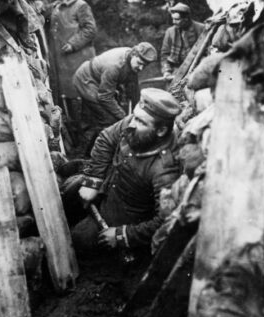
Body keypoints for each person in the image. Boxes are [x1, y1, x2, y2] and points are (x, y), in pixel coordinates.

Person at [71, 87, 181, 254]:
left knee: (78, 238)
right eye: (134, 117)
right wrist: (93, 181)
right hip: (109, 187)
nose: (130, 125)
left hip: (124, 217)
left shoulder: (164, 171)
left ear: (161, 131)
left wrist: (123, 235)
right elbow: (106, 138)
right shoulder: (135, 122)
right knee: (68, 191)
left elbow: (165, 220)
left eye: (141, 122)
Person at [73, 42, 157, 154]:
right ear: (133, 55)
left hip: (102, 80)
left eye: (145, 66)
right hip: (87, 80)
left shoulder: (132, 59)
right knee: (109, 120)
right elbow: (104, 97)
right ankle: (92, 154)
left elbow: (133, 88)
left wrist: (138, 111)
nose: (141, 68)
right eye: (140, 63)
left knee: (111, 114)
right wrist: (125, 118)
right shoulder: (115, 66)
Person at [48, 0, 96, 110]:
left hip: (76, 59)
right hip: (61, 59)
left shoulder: (81, 5)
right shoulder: (55, 6)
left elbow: (90, 29)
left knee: (79, 93)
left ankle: (85, 127)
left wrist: (73, 44)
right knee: (64, 94)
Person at [160, 2, 205, 80]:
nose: (173, 22)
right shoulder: (170, 32)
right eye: (173, 19)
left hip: (196, 69)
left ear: (186, 18)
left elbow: (208, 53)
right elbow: (164, 55)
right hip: (175, 71)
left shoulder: (201, 29)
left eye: (177, 19)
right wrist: (166, 71)